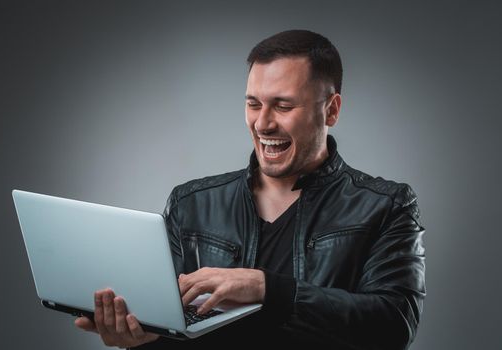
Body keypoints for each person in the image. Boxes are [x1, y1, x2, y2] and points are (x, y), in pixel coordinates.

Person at [75, 29, 426, 349]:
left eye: (283, 105)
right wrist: (139, 338)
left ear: (331, 110)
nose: (263, 123)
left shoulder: (387, 205)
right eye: (253, 103)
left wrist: (267, 289)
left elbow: (393, 325)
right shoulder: (191, 204)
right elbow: (175, 330)